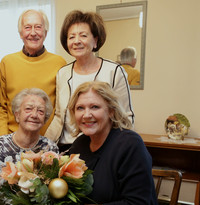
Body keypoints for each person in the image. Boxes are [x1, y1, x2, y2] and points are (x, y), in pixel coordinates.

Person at [67, 81, 164, 205]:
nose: (86, 115)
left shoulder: (130, 144)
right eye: (80, 108)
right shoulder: (80, 144)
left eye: (95, 107)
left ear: (111, 111)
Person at [45, 10, 134, 152]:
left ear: (95, 40)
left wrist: (118, 150)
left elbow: (126, 117)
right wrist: (43, 146)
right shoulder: (63, 73)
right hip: (66, 148)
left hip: (102, 147)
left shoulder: (114, 71)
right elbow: (59, 116)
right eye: (71, 37)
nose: (76, 41)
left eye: (83, 36)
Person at [0, 9, 66, 136]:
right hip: (13, 140)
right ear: (20, 33)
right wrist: (4, 140)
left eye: (38, 27)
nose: (33, 33)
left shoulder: (59, 63)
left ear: (45, 33)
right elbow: (2, 107)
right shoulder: (7, 62)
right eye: (28, 27)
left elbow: (61, 109)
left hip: (47, 140)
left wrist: (50, 140)